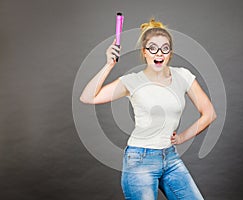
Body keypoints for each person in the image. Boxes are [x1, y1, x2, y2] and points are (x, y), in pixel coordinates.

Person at [80, 18, 217, 200]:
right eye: (152, 48)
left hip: (170, 157)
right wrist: (109, 65)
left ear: (170, 53)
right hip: (139, 160)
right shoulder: (132, 81)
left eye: (164, 48)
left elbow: (209, 114)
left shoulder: (183, 76)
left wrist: (183, 137)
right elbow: (88, 97)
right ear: (145, 52)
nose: (158, 53)